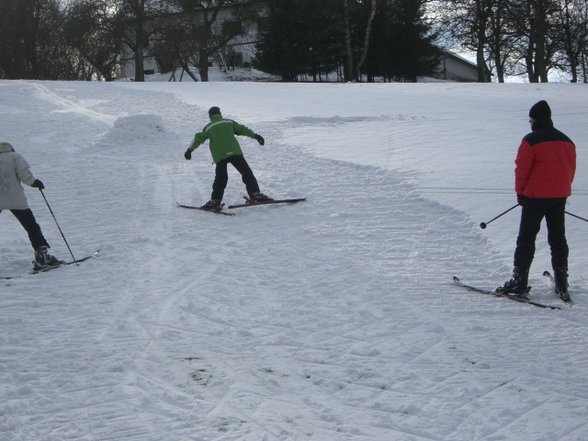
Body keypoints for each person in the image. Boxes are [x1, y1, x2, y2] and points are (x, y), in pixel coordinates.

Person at [497, 100, 576, 300]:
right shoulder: (567, 141)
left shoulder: (530, 140)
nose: (530, 122)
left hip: (534, 196)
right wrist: (561, 189)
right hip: (559, 196)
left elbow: (521, 169)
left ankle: (519, 281)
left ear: (536, 119)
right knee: (558, 238)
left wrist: (520, 193)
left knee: (526, 238)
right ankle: (562, 281)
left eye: (531, 119)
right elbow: (571, 169)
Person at [184, 106, 271, 209]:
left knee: (221, 178)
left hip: (220, 155)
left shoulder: (209, 127)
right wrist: (255, 136)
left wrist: (189, 150)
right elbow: (242, 129)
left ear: (210, 116)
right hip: (234, 152)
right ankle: (255, 194)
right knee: (246, 173)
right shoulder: (228, 122)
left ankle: (215, 200)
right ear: (220, 113)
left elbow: (198, 138)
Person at [0, 141, 60, 268]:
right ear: (10, 148)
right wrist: (34, 182)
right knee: (31, 226)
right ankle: (42, 257)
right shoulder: (15, 156)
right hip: (15, 198)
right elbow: (24, 174)